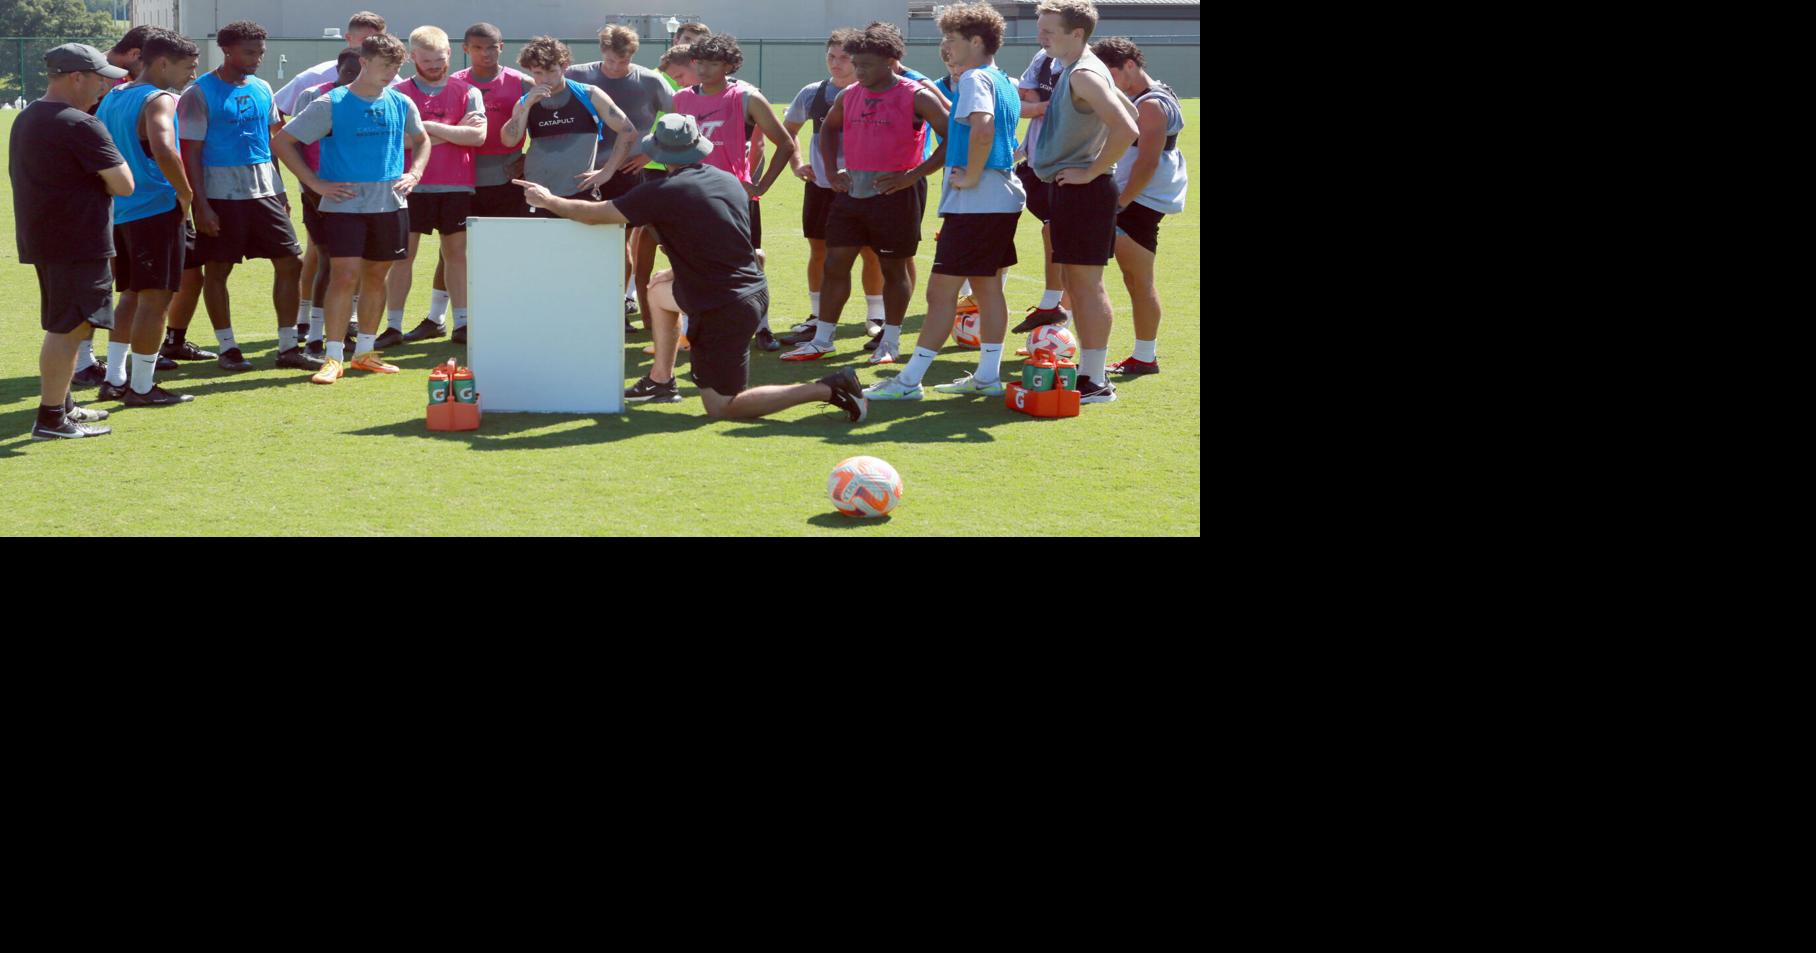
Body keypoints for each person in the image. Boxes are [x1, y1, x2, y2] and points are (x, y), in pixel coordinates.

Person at [514, 114, 867, 423]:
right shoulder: (726, 179)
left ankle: (828, 388)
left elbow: (596, 215)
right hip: (748, 290)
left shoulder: (662, 192)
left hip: (723, 306)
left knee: (722, 406)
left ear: (659, 152)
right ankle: (660, 380)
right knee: (658, 289)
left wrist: (549, 200)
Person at [866, 3, 1023, 401]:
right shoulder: (1003, 79)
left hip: (977, 203)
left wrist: (971, 175)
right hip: (999, 199)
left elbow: (983, 128)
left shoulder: (974, 79)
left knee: (940, 293)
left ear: (977, 41)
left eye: (951, 39)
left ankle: (908, 382)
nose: (945, 47)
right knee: (988, 289)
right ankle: (987, 377)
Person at [782, 22, 948, 366]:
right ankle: (822, 339)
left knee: (893, 269)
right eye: (856, 64)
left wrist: (914, 174)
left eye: (866, 65)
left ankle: (890, 340)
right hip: (851, 194)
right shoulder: (849, 95)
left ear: (890, 61)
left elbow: (954, 136)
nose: (858, 71)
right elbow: (828, 130)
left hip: (895, 195)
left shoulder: (916, 94)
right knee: (834, 263)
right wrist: (832, 172)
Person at [271, 31, 430, 384]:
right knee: (343, 276)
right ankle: (333, 357)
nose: (391, 73)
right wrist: (314, 183)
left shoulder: (402, 102)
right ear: (364, 62)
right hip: (344, 206)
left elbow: (422, 140)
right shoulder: (331, 103)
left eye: (396, 67)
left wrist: (415, 172)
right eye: (385, 65)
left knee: (376, 276)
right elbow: (282, 142)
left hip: (390, 204)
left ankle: (365, 354)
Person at [166, 20, 306, 372]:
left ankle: (288, 346)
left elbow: (270, 141)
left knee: (291, 262)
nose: (257, 58)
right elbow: (191, 153)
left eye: (260, 51)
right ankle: (228, 348)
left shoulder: (263, 87)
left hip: (264, 191)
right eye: (249, 52)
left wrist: (280, 189)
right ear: (226, 50)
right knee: (218, 269)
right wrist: (201, 205)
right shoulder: (199, 93)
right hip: (220, 194)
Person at [10, 44, 132, 439]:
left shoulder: (28, 116)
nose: (104, 87)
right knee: (69, 327)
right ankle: (51, 419)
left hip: (46, 237)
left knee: (67, 324)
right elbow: (124, 184)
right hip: (78, 240)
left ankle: (62, 405)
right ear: (76, 77)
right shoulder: (80, 123)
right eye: (99, 79)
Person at [1030, 0, 1138, 404]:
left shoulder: (1084, 73)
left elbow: (1127, 127)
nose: (1041, 37)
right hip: (1075, 190)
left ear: (1077, 33)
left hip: (1085, 192)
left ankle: (1095, 381)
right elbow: (1130, 110)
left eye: (1049, 31)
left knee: (1086, 287)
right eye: (1041, 28)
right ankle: (1090, 375)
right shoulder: (1081, 68)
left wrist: (1091, 171)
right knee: (1078, 284)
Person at [93, 28, 201, 407]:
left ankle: (115, 379)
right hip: (155, 208)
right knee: (156, 299)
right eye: (188, 67)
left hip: (121, 209)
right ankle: (141, 388)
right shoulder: (160, 98)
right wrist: (186, 193)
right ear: (163, 63)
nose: (192, 74)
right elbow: (165, 147)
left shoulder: (114, 96)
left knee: (131, 296)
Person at [669, 33, 796, 351]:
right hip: (690, 199)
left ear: (729, 65)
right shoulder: (681, 98)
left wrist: (761, 185)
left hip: (734, 199)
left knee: (750, 262)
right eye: (699, 62)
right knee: (691, 262)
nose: (704, 69)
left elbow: (785, 143)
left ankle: (762, 327)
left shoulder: (746, 98)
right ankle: (691, 329)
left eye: (713, 63)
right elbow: (673, 148)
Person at [415, 22, 534, 345]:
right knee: (451, 252)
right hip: (462, 176)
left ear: (501, 47)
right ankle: (436, 317)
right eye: (478, 48)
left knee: (504, 249)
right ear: (465, 49)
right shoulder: (455, 82)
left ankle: (504, 314)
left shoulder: (521, 82)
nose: (485, 54)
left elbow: (542, 127)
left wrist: (528, 156)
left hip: (505, 177)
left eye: (491, 47)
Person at [779, 29, 891, 347]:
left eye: (844, 57)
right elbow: (787, 131)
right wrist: (797, 163)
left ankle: (876, 316)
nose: (837, 63)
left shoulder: (872, 92)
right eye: (831, 56)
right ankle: (817, 316)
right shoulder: (812, 93)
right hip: (822, 187)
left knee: (871, 253)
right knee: (820, 251)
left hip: (864, 187)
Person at [378, 26, 483, 350]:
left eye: (440, 60)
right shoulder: (397, 93)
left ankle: (462, 323)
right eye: (427, 61)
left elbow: (477, 136)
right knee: (402, 257)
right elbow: (396, 141)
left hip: (456, 185)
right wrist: (452, 132)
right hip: (409, 185)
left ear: (450, 54)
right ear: (413, 57)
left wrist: (426, 130)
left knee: (456, 256)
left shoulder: (468, 91)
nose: (435, 66)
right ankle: (393, 326)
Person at [567, 25, 673, 325]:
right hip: (582, 171)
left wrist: (651, 152)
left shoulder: (650, 80)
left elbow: (682, 115)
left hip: (626, 172)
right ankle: (582, 303)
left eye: (623, 61)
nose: (615, 67)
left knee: (618, 241)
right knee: (580, 240)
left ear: (632, 55)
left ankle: (616, 309)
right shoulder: (577, 75)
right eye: (610, 60)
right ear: (602, 51)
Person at [1094, 37, 1186, 377]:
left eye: (1111, 73)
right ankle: (1143, 356)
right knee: (1124, 277)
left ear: (1130, 65)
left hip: (1139, 200)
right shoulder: (1148, 94)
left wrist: (1121, 202)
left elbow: (1148, 162)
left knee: (1137, 279)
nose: (1107, 82)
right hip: (1136, 197)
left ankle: (1145, 357)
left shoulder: (1151, 104)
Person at [499, 37, 636, 219]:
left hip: (579, 192)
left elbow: (628, 131)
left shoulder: (589, 94)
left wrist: (608, 171)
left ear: (564, 66)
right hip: (537, 192)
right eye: (538, 73)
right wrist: (526, 105)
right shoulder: (526, 102)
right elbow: (509, 141)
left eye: (552, 71)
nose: (545, 79)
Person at [291, 49, 363, 355]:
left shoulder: (376, 98)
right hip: (319, 194)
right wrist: (311, 187)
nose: (353, 79)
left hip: (360, 195)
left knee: (355, 263)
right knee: (327, 260)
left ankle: (345, 327)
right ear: (338, 70)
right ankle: (314, 335)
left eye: (360, 73)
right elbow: (292, 143)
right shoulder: (313, 96)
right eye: (348, 72)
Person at [1010, 46, 1071, 333]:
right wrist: (1038, 105)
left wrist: (1038, 104)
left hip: (1065, 167)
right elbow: (1020, 100)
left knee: (1062, 241)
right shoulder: (1043, 57)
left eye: (1048, 30)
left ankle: (1057, 320)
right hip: (1035, 164)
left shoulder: (1085, 66)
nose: (1041, 37)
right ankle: (1053, 318)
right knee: (1053, 236)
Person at [272, 11, 387, 116]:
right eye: (366, 40)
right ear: (348, 38)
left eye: (379, 40)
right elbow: (275, 109)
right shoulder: (315, 76)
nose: (374, 46)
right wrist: (292, 133)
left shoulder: (391, 77)